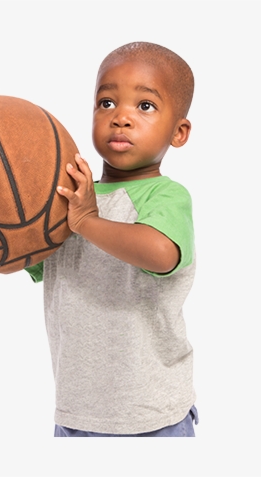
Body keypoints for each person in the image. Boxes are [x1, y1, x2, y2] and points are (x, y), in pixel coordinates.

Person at [25, 42, 199, 437]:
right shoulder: (70, 198)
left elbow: (159, 252)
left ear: (179, 132)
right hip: (76, 413)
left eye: (145, 106)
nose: (120, 117)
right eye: (106, 103)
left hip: (152, 417)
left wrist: (86, 218)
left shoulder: (166, 197)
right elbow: (28, 257)